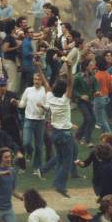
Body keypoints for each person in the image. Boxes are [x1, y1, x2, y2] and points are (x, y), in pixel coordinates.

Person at [44, 60, 75, 197]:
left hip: (54, 134)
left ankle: (56, 183)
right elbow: (70, 83)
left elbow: (46, 83)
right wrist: (69, 68)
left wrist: (38, 67)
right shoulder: (65, 100)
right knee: (67, 161)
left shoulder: (49, 97)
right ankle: (59, 185)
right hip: (65, 134)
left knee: (61, 159)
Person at [18, 71, 48, 178]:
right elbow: (22, 103)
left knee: (39, 146)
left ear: (42, 81)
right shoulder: (28, 90)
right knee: (26, 142)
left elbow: (48, 107)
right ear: (33, 80)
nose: (37, 81)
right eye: (35, 79)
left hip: (40, 121)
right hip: (28, 119)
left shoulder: (45, 91)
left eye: (39, 79)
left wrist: (43, 107)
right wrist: (18, 104)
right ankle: (29, 152)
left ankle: (36, 166)